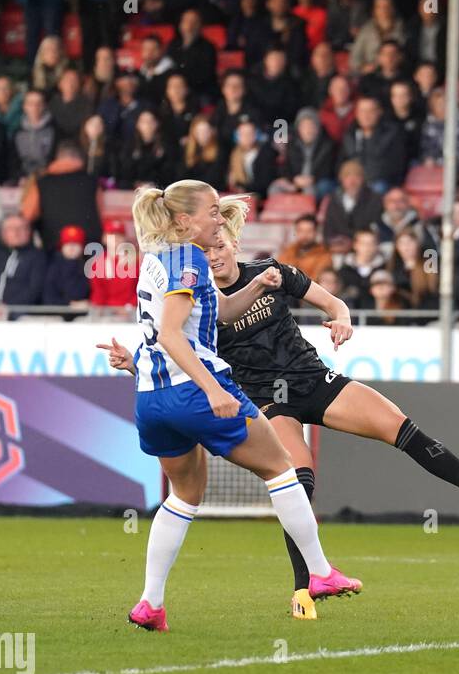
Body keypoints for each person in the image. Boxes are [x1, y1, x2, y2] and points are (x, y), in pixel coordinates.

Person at [110, 180, 363, 630]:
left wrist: (260, 286)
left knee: (185, 494)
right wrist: (212, 389)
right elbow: (171, 333)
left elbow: (220, 312)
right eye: (212, 212)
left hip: (151, 397)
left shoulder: (157, 258)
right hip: (193, 389)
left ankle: (150, 604)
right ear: (185, 221)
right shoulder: (189, 257)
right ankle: (321, 572)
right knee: (282, 468)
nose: (220, 219)